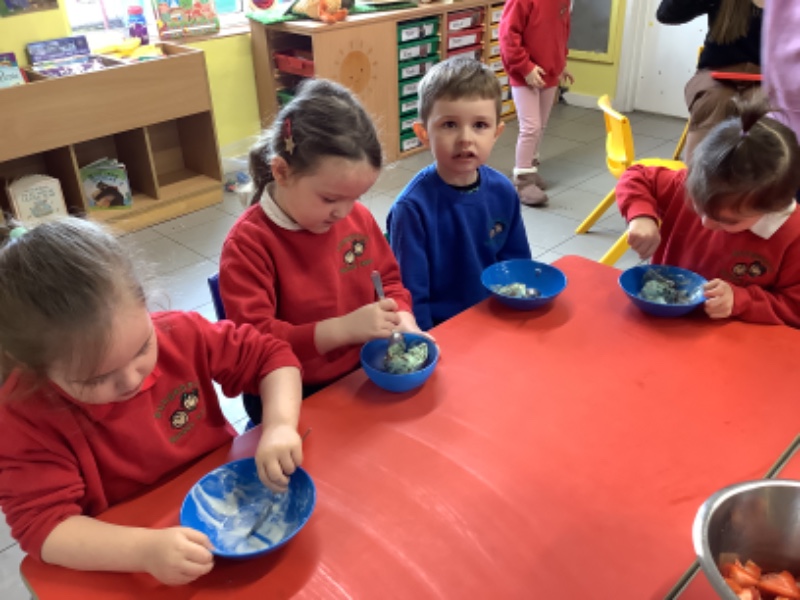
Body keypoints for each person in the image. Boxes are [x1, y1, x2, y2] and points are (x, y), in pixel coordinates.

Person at [0, 217, 304, 585]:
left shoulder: (180, 333)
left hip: (228, 503)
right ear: (34, 367)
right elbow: (44, 527)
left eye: (143, 347)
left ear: (145, 304)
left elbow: (272, 358)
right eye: (96, 379)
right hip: (128, 546)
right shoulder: (23, 414)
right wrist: (143, 551)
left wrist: (280, 425)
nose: (132, 379)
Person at [219, 78, 424, 424]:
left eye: (355, 198)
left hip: (357, 373)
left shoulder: (356, 218)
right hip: (290, 393)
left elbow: (388, 281)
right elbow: (254, 340)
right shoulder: (249, 244)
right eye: (330, 198)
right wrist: (342, 330)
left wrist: (403, 317)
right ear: (281, 172)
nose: (344, 212)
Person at [616, 98, 800, 327]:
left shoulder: (793, 235)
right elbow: (636, 176)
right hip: (664, 321)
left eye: (728, 221)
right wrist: (641, 216)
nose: (706, 223)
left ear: (773, 208)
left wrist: (741, 301)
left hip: (731, 336)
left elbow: (794, 308)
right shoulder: (699, 184)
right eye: (697, 206)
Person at [386, 57, 532, 331]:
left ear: (496, 132)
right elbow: (411, 295)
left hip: (496, 320)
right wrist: (428, 340)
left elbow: (517, 265)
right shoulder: (411, 209)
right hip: (442, 330)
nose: (466, 138)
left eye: (480, 125)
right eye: (450, 125)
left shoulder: (503, 191)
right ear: (423, 133)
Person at [657, 0, 764, 162]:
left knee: (765, 106)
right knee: (715, 101)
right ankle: (696, 173)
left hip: (768, 78)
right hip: (715, 73)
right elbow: (667, 14)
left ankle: (764, 174)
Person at [498, 0, 573, 206]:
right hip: (525, 74)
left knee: (541, 125)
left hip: (549, 72)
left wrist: (561, 63)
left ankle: (530, 168)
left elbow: (561, 31)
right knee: (531, 127)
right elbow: (507, 35)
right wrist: (525, 67)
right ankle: (523, 180)